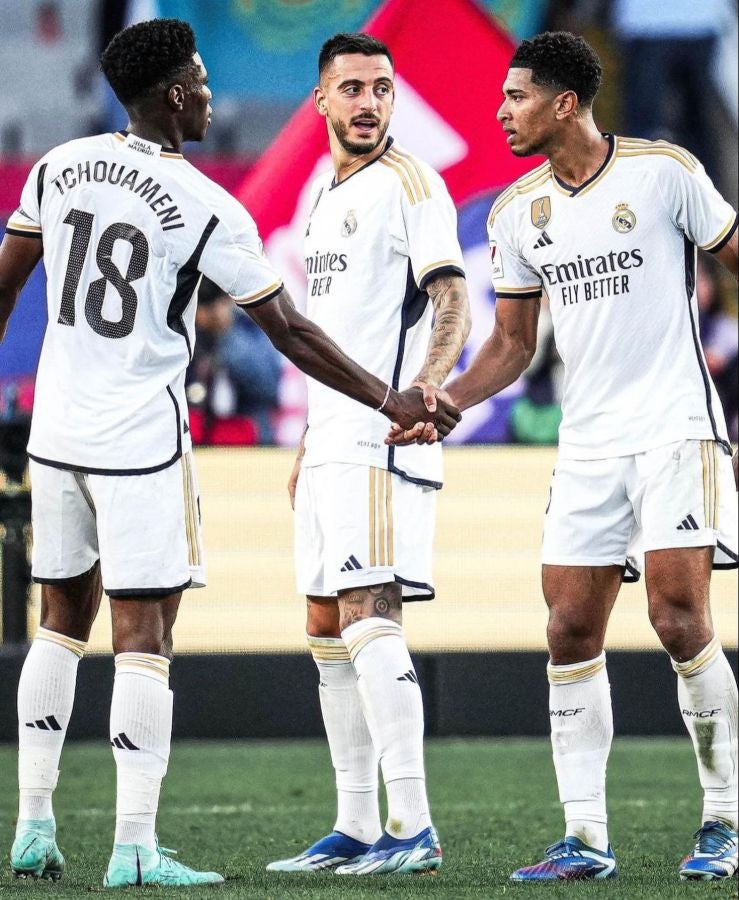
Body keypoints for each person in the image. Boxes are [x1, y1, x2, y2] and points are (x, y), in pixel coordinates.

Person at [0, 19, 460, 889]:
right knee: (143, 634)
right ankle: (135, 847)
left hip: (55, 432)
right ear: (175, 95)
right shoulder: (206, 203)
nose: (213, 97)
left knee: (57, 623)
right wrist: (390, 397)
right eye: (204, 82)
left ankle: (32, 826)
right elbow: (287, 330)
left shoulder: (59, 166)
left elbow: (4, 282)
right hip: (141, 440)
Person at [390, 30, 738, 882]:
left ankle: (724, 821)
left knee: (675, 618)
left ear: (564, 103)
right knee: (568, 628)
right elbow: (511, 345)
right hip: (586, 445)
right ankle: (584, 837)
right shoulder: (516, 213)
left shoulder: (663, 172)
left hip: (674, 428)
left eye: (515, 97)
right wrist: (446, 402)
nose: (500, 112)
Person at [266, 32, 470, 877]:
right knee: (325, 623)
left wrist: (425, 389)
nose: (368, 103)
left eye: (381, 88)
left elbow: (451, 297)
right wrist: (308, 439)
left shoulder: (410, 182)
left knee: (368, 613)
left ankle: (411, 825)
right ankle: (352, 825)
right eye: (351, 88)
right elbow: (332, 331)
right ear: (320, 99)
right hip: (329, 443)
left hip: (384, 438)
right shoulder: (322, 192)